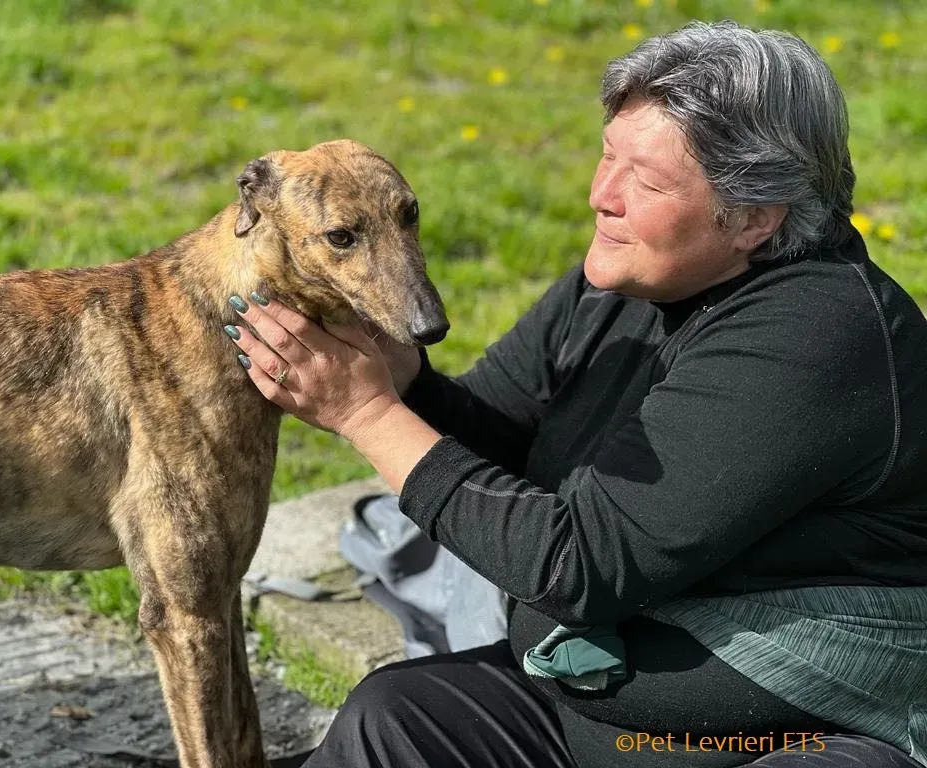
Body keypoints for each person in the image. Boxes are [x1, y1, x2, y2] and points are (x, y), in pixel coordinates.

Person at [224, 20, 927, 768]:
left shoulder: (816, 335)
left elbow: (579, 567)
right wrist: (404, 380)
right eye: (607, 155)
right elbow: (491, 430)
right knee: (394, 718)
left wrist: (367, 413)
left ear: (755, 217)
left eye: (647, 182)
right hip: (596, 718)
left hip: (795, 738)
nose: (602, 196)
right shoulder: (633, 279)